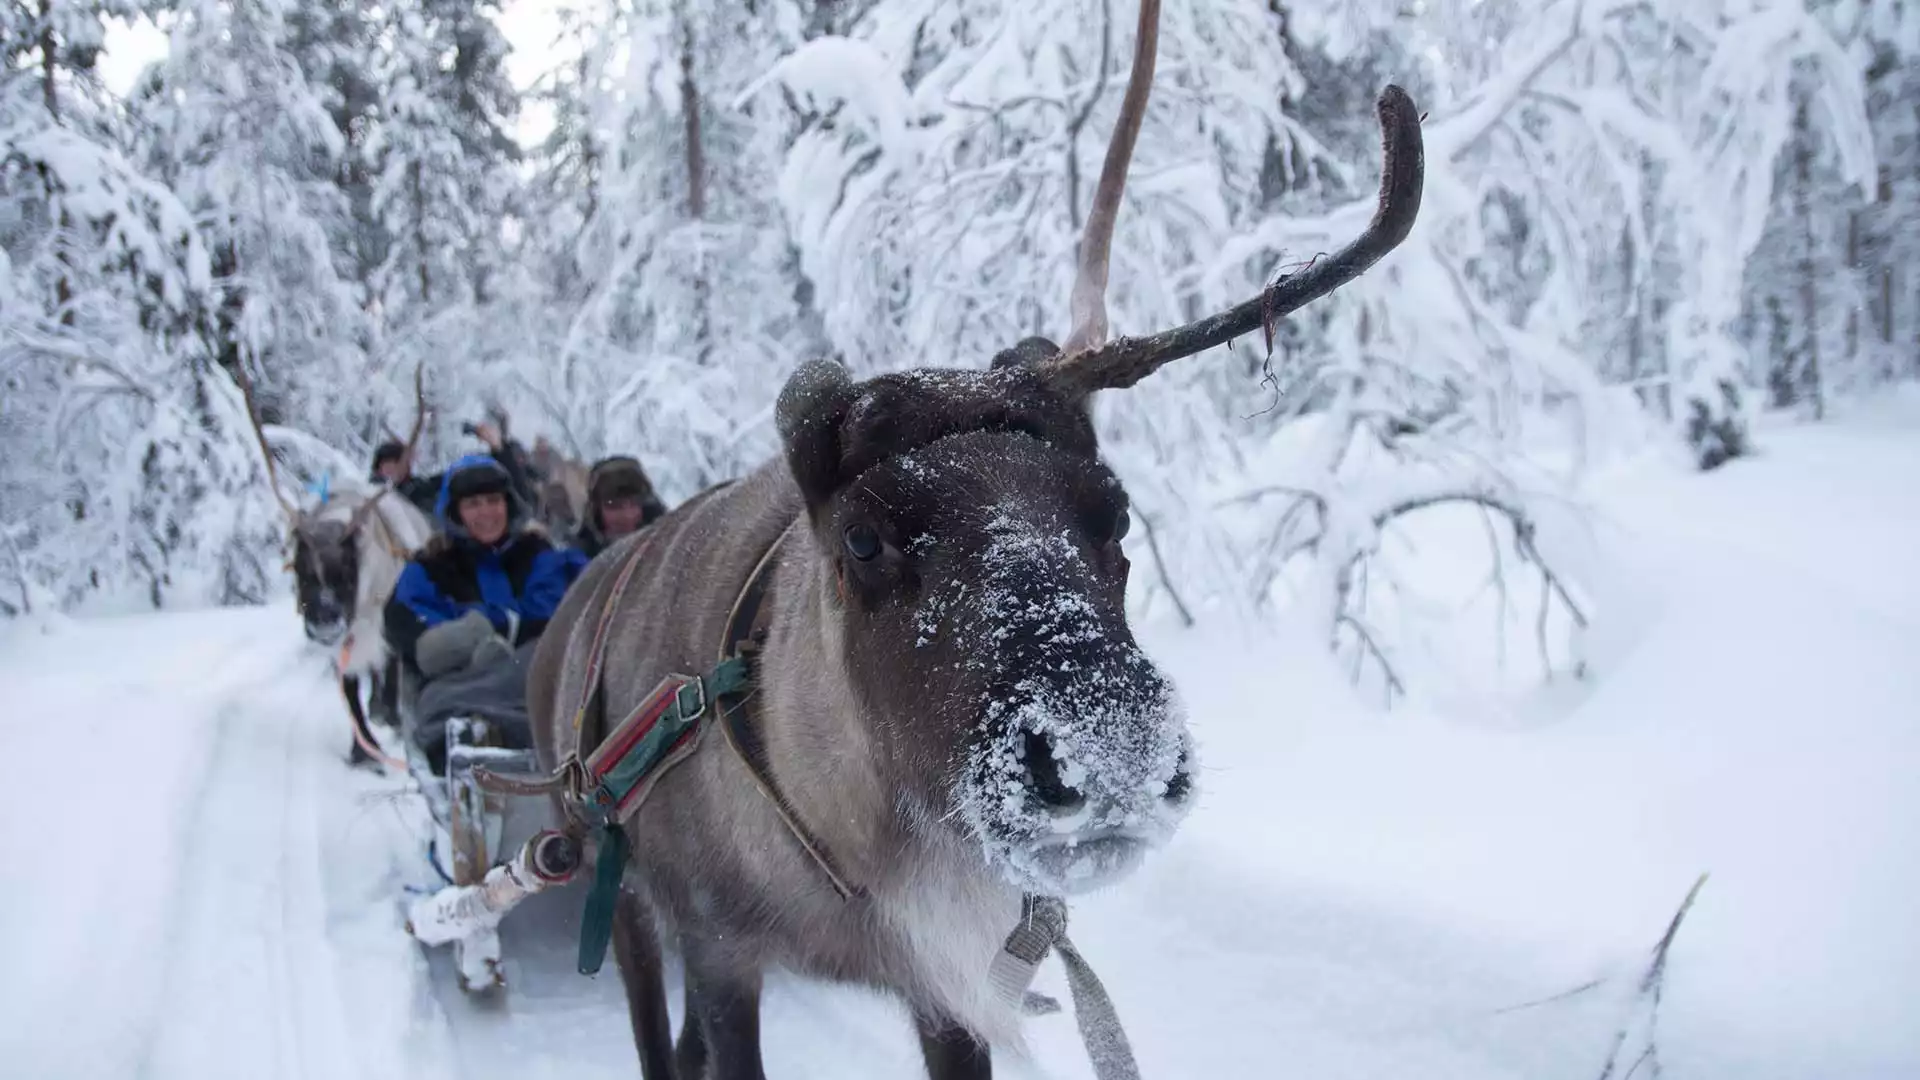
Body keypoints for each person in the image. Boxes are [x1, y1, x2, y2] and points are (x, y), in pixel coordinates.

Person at [382, 454, 582, 773]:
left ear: (509, 504)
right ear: (455, 512)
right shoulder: (432, 566)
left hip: (534, 673)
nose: (486, 512)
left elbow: (553, 609)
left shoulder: (536, 554)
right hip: (463, 679)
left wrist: (492, 624)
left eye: (493, 500)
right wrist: (455, 640)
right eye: (473, 503)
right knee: (438, 699)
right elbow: (405, 619)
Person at [370, 420, 538, 521]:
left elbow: (461, 474)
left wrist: (499, 451)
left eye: (398, 462)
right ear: (378, 469)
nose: (394, 469)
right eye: (387, 464)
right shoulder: (371, 497)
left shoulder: (420, 490)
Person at [569, 455, 669, 559]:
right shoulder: (577, 560)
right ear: (596, 510)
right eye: (614, 506)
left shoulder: (667, 542)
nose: (627, 515)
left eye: (633, 503)